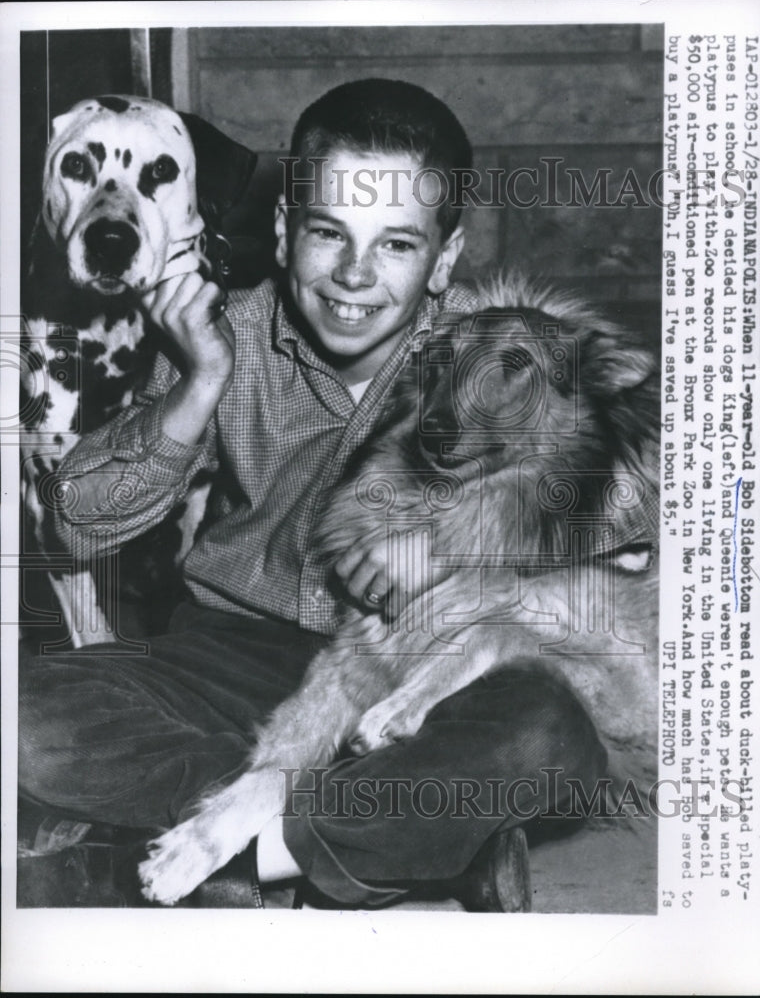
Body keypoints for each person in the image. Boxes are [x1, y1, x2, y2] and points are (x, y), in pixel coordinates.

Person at [18, 79, 607, 910]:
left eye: (397, 245)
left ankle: (235, 846)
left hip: (409, 670)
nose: (355, 275)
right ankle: (393, 839)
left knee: (551, 735)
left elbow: (627, 499)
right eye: (330, 232)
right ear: (286, 230)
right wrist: (199, 384)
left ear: (443, 259)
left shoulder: (496, 352)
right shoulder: (226, 335)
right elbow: (77, 527)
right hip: (228, 653)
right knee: (24, 716)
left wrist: (444, 551)